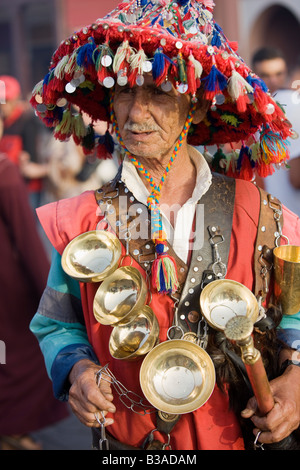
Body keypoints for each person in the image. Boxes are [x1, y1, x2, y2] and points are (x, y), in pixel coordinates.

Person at [29, 0, 300, 451]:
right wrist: (76, 370)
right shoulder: (81, 220)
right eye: (124, 93)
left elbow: (296, 307)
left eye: (158, 93)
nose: (136, 114)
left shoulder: (260, 212)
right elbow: (57, 323)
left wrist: (295, 378)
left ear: (192, 106)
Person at [0, 113, 69, 450]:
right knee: (17, 355)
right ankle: (11, 427)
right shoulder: (3, 171)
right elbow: (27, 240)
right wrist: (50, 291)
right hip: (7, 289)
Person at [252, 48, 300, 216]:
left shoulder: (253, 112)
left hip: (271, 215)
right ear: (254, 75)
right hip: (289, 216)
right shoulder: (291, 105)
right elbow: (296, 178)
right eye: (265, 75)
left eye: (279, 74)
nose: (273, 81)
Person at [0, 75, 50, 211]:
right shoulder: (3, 122)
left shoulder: (27, 121)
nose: (3, 105)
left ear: (16, 98)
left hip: (27, 188)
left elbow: (32, 158)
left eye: (7, 100)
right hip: (7, 185)